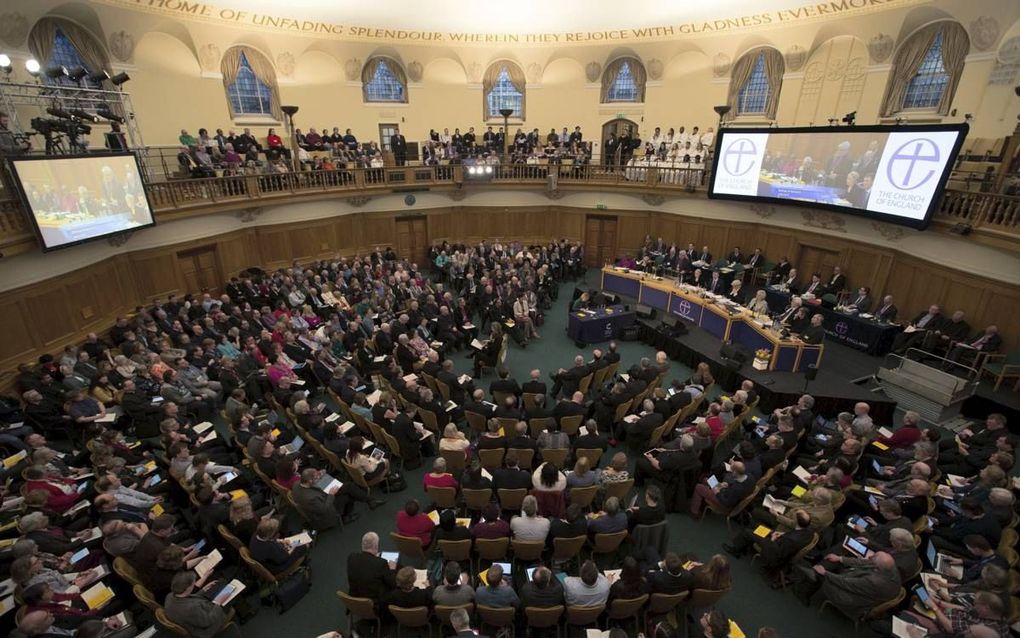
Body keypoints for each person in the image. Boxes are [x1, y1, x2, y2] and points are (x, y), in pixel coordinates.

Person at [163, 571, 227, 638]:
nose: (194, 584)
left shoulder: (170, 596)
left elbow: (187, 598)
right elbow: (207, 621)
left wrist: (203, 590)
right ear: (188, 588)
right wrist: (217, 603)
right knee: (229, 597)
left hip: (192, 617)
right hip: (205, 630)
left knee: (221, 582)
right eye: (193, 584)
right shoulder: (192, 608)